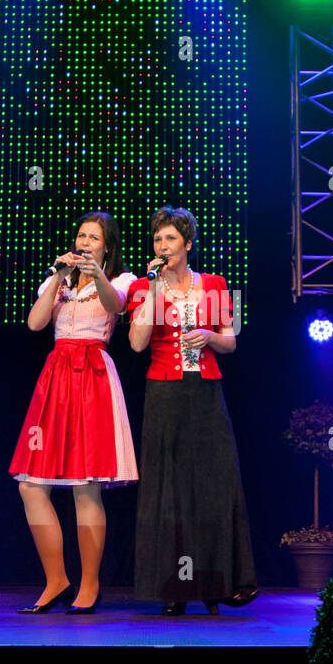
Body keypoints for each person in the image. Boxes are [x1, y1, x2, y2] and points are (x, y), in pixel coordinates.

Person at [128, 207, 257, 616]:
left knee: (215, 483)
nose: (162, 247)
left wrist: (208, 336)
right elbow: (136, 343)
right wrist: (151, 290)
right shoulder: (141, 287)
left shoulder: (215, 284)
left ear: (187, 243)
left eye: (169, 239)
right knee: (170, 488)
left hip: (205, 389)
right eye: (157, 240)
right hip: (163, 390)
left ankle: (218, 583)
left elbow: (231, 342)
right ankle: (173, 587)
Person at [9, 211, 138, 614]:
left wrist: (95, 272)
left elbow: (115, 304)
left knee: (87, 485)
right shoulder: (59, 280)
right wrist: (58, 279)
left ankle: (90, 584)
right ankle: (56, 579)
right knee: (30, 485)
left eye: (93, 238)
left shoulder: (121, 279)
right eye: (81, 236)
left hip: (93, 375)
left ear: (107, 246)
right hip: (55, 379)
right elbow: (34, 324)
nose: (84, 242)